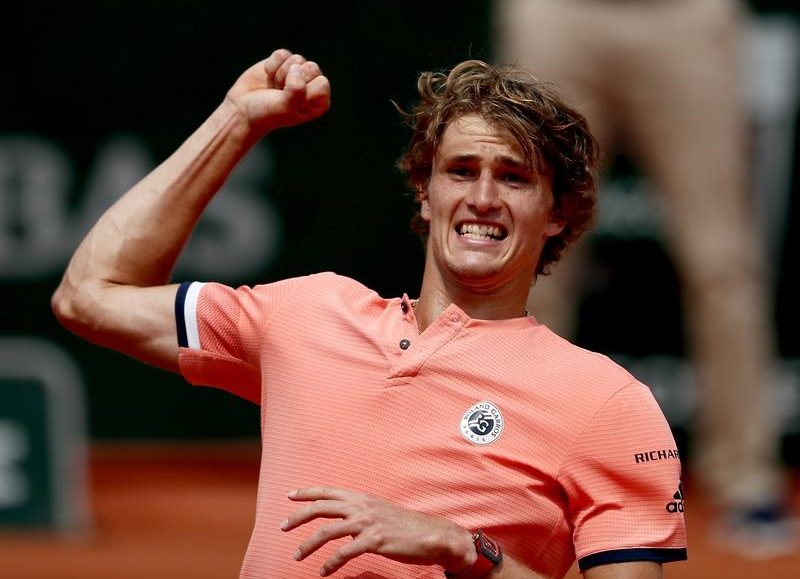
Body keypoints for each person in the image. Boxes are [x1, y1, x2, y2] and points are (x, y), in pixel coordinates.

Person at [52, 49, 686, 579]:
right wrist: (236, 121)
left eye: (514, 178)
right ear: (425, 193)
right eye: (460, 171)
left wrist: (468, 551)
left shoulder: (604, 402)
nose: (483, 197)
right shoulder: (305, 314)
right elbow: (88, 296)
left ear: (557, 214)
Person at [494, 0, 795, 556]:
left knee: (721, 260)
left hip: (685, 17)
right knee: (525, 250)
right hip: (560, 14)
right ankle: (506, 466)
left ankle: (746, 474)